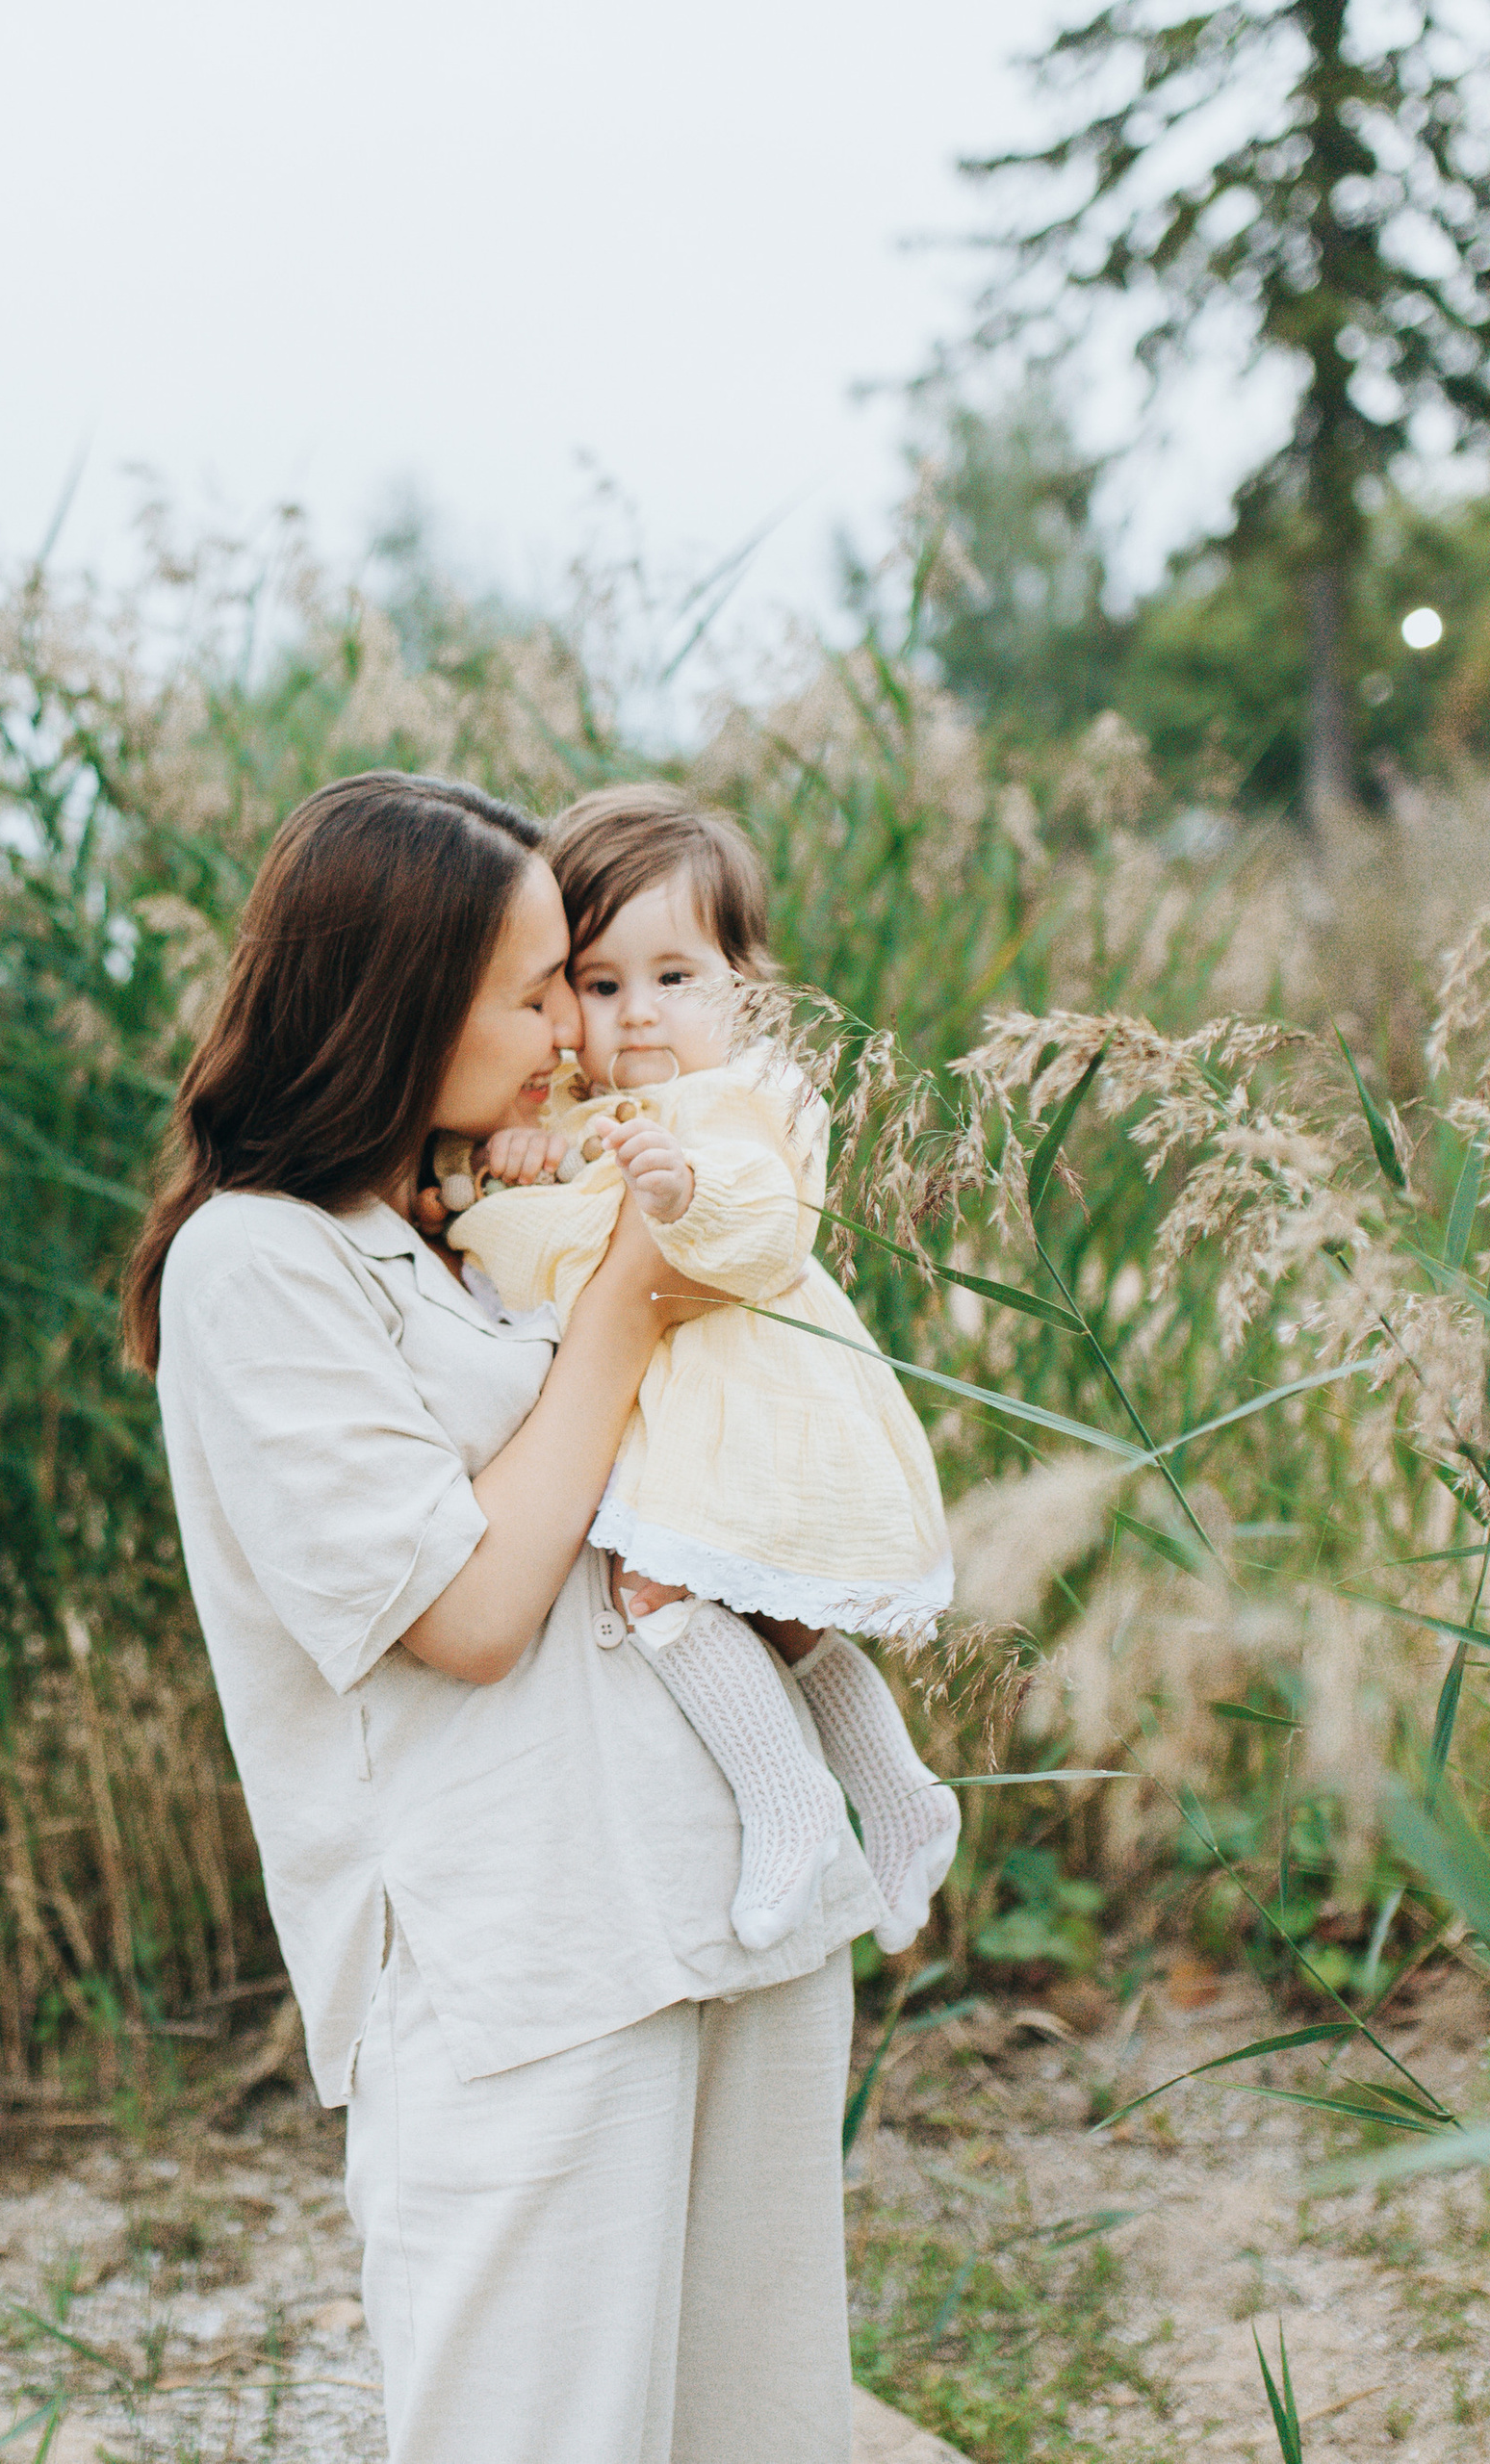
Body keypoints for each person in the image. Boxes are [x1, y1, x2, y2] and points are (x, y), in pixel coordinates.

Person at [124, 771, 886, 2464]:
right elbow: (465, 1617)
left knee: (759, 2429)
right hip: (523, 1960)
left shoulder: (495, 1224)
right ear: (398, 1001)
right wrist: (630, 1297)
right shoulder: (262, 1266)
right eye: (537, 986)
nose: (574, 1025)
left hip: (729, 1903)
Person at [429, 783, 960, 1959]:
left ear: (747, 987)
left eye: (676, 977)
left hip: (750, 1393)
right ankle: (904, 1792)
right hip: (676, 1397)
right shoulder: (583, 1106)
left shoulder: (744, 1097)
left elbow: (768, 1221)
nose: (639, 1017)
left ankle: (791, 1801)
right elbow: (543, 1251)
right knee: (769, 1615)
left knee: (653, 1588)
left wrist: (682, 1192)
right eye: (601, 984)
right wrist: (489, 1177)